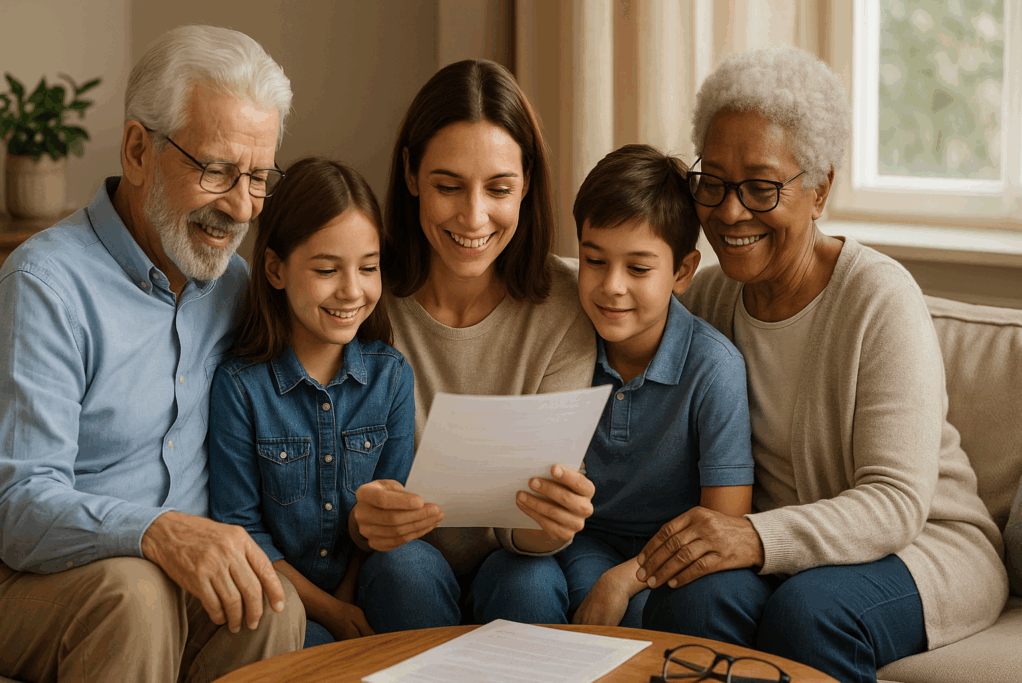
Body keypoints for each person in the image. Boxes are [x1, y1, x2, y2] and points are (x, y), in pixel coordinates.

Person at [636, 46, 1007, 683]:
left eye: (761, 186)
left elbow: (894, 502)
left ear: (820, 189)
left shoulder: (880, 299)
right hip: (795, 556)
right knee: (689, 600)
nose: (729, 211)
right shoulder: (711, 297)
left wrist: (754, 538)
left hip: (924, 549)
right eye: (715, 182)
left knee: (811, 615)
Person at [0, 25, 305, 682]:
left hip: (172, 585)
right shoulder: (45, 286)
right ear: (139, 150)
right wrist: (157, 530)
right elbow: (17, 504)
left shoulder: (238, 288)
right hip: (38, 580)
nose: (242, 207)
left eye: (258, 177)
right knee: (135, 596)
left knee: (272, 606)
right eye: (218, 170)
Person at [351, 59, 599, 631]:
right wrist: (362, 521)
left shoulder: (564, 303)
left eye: (499, 188)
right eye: (448, 186)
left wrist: (549, 523)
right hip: (402, 559)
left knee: (531, 582)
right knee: (403, 570)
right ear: (411, 174)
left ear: (527, 183)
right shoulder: (364, 293)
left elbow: (537, 519)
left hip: (513, 556)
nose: (473, 216)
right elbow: (337, 469)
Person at [209, 157, 416, 649]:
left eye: (368, 268)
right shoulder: (240, 387)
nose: (352, 291)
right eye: (327, 270)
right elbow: (243, 529)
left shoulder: (391, 377)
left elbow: (391, 510)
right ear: (277, 269)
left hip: (367, 582)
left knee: (411, 569)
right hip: (281, 594)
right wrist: (331, 611)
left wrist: (349, 596)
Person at [555, 144, 754, 629]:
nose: (611, 286)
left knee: (656, 616)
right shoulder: (560, 341)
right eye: (594, 260)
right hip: (585, 542)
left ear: (682, 272)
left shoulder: (714, 367)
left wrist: (624, 579)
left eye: (639, 269)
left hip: (673, 554)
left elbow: (723, 522)